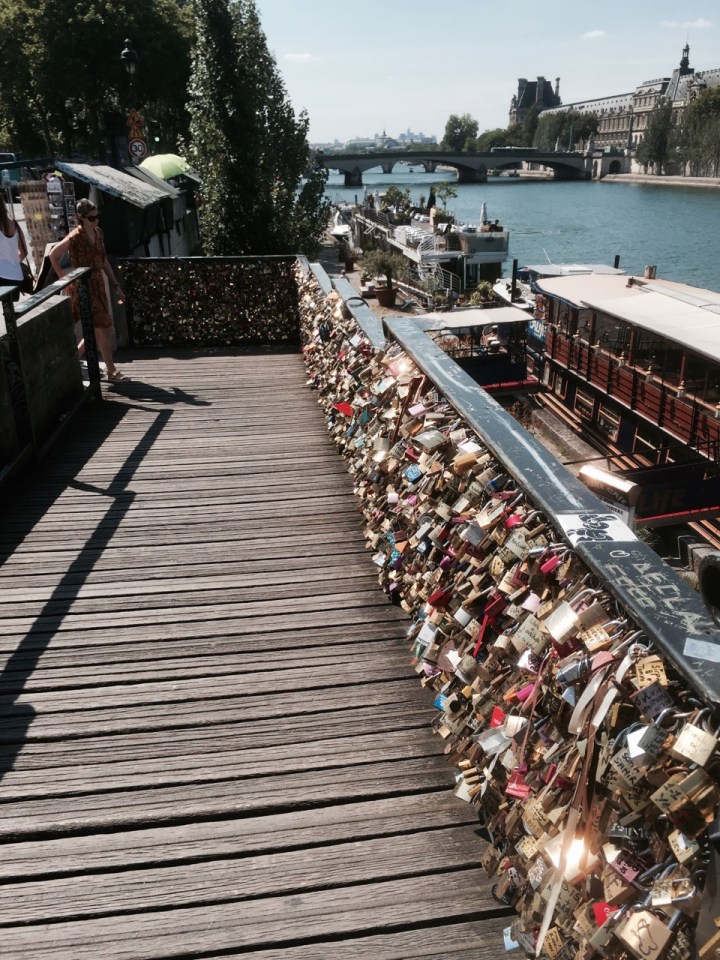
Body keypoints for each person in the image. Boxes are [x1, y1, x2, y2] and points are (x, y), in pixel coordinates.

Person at [49, 198, 129, 382]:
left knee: (95, 328)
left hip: (98, 283)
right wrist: (66, 280)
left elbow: (104, 260)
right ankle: (111, 371)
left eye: (97, 217)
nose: (96, 220)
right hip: (83, 285)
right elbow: (53, 255)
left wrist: (116, 285)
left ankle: (73, 360)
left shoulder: (99, 233)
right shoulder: (74, 237)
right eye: (92, 218)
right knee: (105, 326)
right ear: (81, 218)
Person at [0, 198, 28, 300]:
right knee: (12, 313)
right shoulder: (14, 224)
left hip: (1, 276)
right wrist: (13, 262)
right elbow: (24, 252)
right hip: (16, 276)